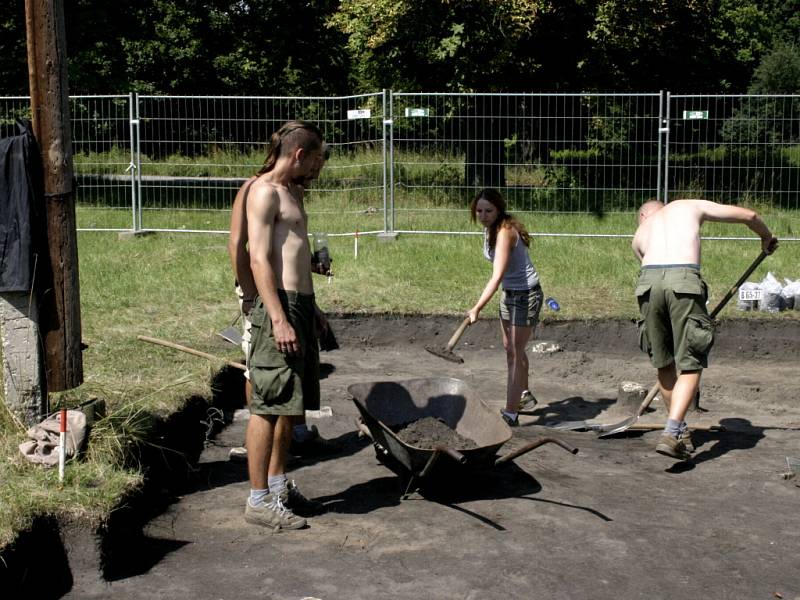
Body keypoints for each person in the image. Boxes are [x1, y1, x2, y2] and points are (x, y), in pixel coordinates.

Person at [230, 120, 330, 529]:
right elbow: (257, 258)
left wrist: (313, 306)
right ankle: (257, 501)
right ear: (300, 154)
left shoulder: (295, 192)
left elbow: (292, 255)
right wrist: (276, 316)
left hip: (300, 305)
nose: (318, 169)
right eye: (317, 159)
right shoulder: (263, 191)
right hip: (280, 309)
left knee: (290, 406)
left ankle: (276, 485)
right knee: (268, 406)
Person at [632, 198, 778, 460]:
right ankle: (671, 432)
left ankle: (680, 432)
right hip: (684, 279)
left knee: (664, 363)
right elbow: (750, 215)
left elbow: (650, 267)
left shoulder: (641, 232)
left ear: (644, 215)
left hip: (647, 283)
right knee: (691, 362)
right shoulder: (687, 205)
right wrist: (766, 237)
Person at [467, 188, 544, 427]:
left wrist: (477, 307)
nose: (483, 215)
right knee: (510, 348)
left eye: (488, 210)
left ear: (499, 209)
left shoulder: (504, 232)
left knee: (514, 354)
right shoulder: (490, 230)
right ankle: (524, 394)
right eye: (479, 210)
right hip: (509, 294)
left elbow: (497, 275)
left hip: (526, 295)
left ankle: (511, 414)